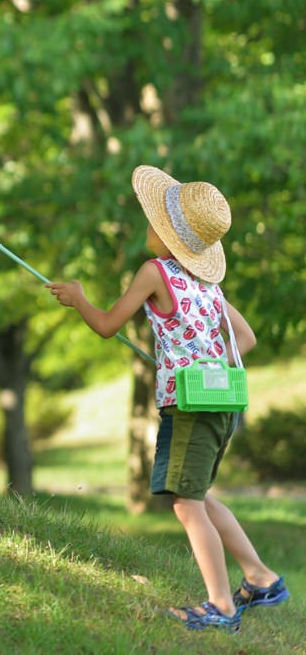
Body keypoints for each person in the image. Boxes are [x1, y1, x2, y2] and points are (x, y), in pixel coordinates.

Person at [45, 165, 289, 634]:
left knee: (185, 503)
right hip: (222, 405)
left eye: (152, 220)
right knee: (197, 493)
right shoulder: (208, 287)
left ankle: (220, 604)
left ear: (167, 235)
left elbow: (106, 325)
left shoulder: (154, 272)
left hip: (190, 406)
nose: (147, 226)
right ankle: (260, 577)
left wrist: (78, 298)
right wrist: (196, 350)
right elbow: (246, 338)